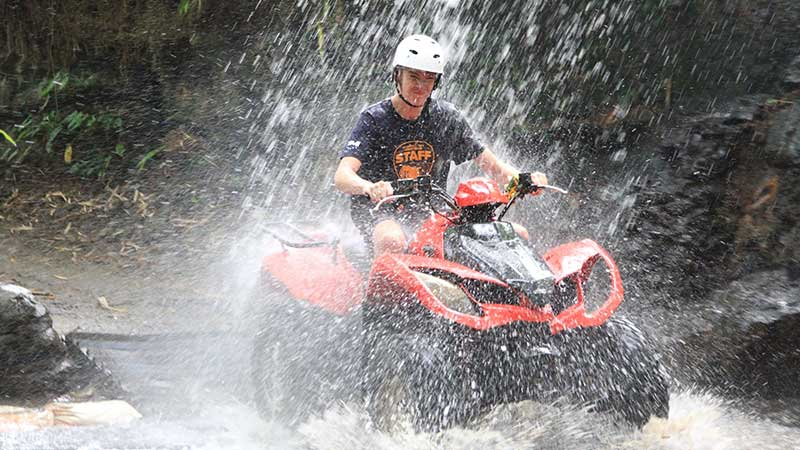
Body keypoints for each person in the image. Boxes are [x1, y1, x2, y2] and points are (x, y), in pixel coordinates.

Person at [334, 34, 547, 256]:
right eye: (413, 76)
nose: (420, 85)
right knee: (392, 240)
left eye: (429, 78)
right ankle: (376, 291)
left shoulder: (445, 118)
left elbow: (492, 165)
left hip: (431, 210)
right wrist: (368, 187)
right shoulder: (374, 119)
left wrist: (523, 180)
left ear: (437, 82)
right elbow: (342, 176)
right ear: (397, 75)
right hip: (379, 209)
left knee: (517, 234)